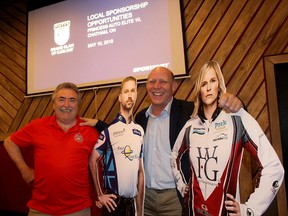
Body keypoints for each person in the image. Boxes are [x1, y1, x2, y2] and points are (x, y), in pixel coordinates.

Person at [81, 66, 243, 215]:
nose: (156, 86)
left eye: (163, 82)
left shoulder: (189, 111)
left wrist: (237, 105)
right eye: (152, 82)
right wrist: (98, 124)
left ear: (174, 87)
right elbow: (122, 136)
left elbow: (220, 116)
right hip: (145, 197)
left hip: (175, 198)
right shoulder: (141, 117)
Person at [170, 60, 284, 216]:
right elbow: (174, 156)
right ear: (199, 90)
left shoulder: (238, 120)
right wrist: (182, 186)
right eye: (203, 83)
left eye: (213, 81)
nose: (208, 87)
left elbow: (274, 167)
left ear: (220, 85)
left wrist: (249, 210)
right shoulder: (190, 126)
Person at [4, 82, 100, 216]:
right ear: (54, 104)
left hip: (78, 208)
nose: (66, 105)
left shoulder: (90, 132)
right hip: (40, 208)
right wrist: (24, 169)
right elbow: (9, 142)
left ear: (78, 104)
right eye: (61, 99)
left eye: (72, 100)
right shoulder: (37, 126)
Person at [89, 76, 145, 216]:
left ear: (137, 95)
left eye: (133, 91)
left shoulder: (140, 131)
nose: (130, 95)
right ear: (120, 97)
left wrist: (140, 211)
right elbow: (92, 160)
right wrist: (100, 194)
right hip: (113, 204)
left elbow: (141, 172)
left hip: (132, 205)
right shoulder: (109, 130)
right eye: (126, 91)